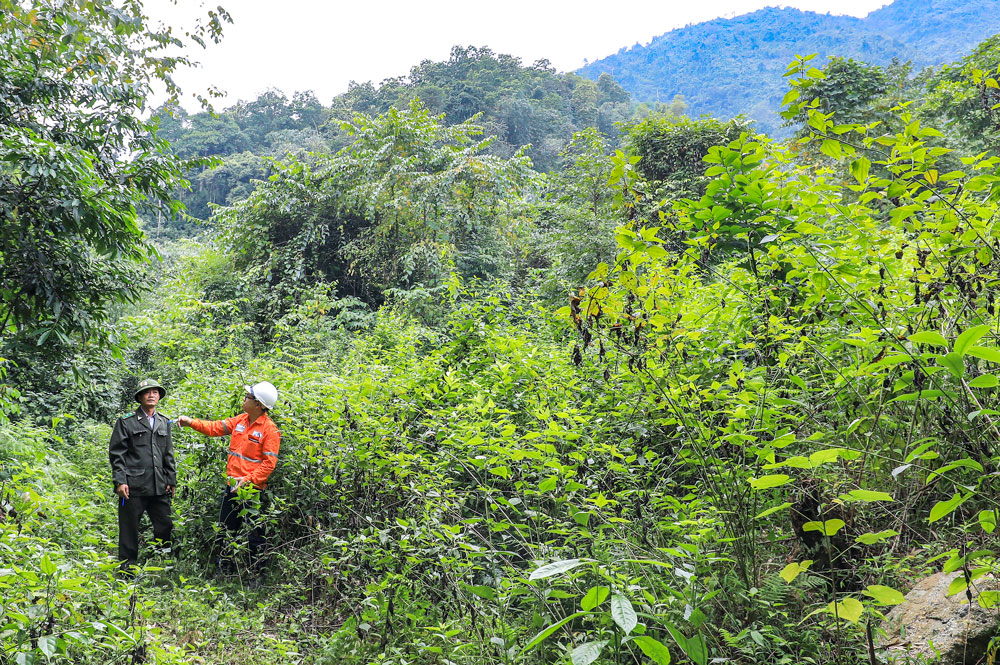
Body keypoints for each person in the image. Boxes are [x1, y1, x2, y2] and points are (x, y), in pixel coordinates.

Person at [177, 381, 280, 576]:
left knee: (255, 535)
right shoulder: (241, 420)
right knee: (225, 530)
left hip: (251, 492)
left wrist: (248, 480)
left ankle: (255, 575)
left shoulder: (270, 430)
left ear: (258, 404)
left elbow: (269, 464)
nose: (244, 399)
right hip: (231, 488)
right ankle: (224, 571)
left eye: (248, 397)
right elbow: (215, 427)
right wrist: (191, 422)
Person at [109, 378, 176, 568]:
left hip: (159, 485)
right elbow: (117, 454)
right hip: (134, 486)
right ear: (139, 397)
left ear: (159, 396)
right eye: (147, 392)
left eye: (155, 392)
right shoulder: (126, 422)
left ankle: (161, 565)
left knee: (165, 525)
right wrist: (120, 481)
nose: (151, 395)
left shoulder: (163, 422)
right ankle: (127, 569)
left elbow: (168, 453)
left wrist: (171, 479)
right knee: (129, 529)